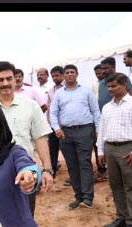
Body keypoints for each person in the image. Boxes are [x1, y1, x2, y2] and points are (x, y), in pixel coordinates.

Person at [0, 62, 55, 216]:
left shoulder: (31, 106)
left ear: (15, 80)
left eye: (8, 78)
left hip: (27, 171)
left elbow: (40, 138)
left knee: (27, 216)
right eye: (0, 80)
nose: (5, 83)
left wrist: (47, 169)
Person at [98, 73, 132, 227]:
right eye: (108, 86)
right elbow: (102, 129)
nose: (110, 89)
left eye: (113, 86)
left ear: (124, 85)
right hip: (110, 148)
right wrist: (101, 151)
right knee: (115, 184)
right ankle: (121, 217)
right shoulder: (107, 107)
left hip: (128, 148)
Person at [50, 64, 100, 209]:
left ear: (77, 74)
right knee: (72, 165)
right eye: (67, 72)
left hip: (85, 130)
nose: (70, 74)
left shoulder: (86, 91)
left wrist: (98, 129)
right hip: (65, 133)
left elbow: (96, 111)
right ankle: (78, 196)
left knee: (84, 163)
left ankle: (87, 197)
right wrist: (57, 129)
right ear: (64, 75)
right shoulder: (59, 94)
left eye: (72, 72)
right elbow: (53, 113)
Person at [44, 66, 65, 179]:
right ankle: (52, 171)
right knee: (52, 149)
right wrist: (49, 122)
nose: (55, 78)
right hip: (53, 124)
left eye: (57, 75)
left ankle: (74, 175)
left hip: (65, 125)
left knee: (67, 150)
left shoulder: (68, 88)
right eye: (53, 76)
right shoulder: (51, 91)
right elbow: (49, 107)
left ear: (62, 75)